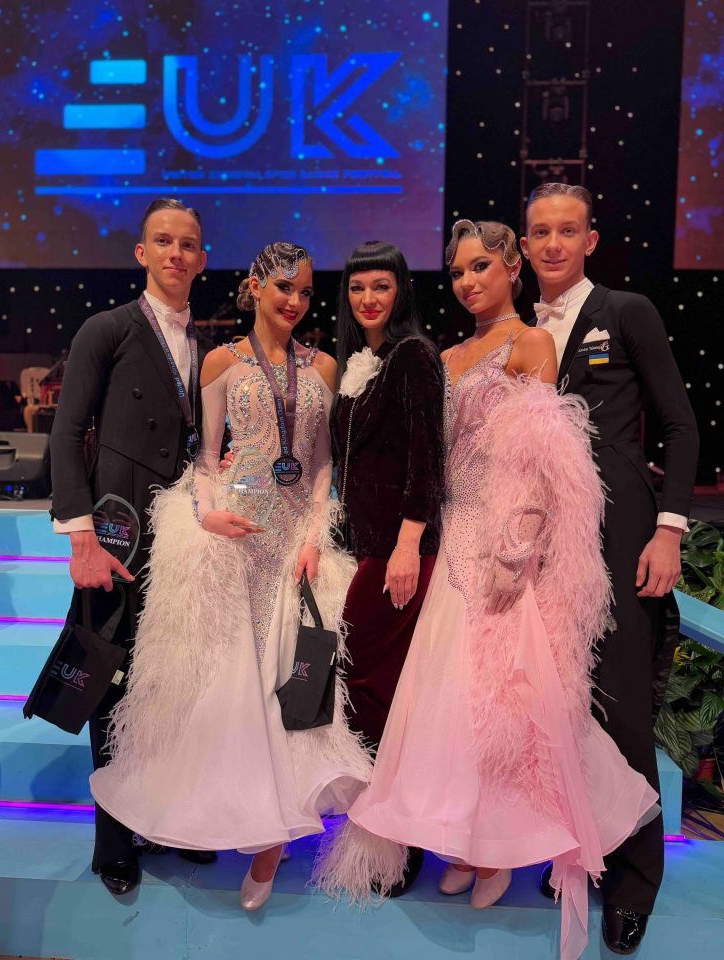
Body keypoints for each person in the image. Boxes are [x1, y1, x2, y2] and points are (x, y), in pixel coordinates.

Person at [315, 220, 659, 960]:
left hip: (502, 543)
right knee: (449, 699)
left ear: (510, 268)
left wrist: (521, 539)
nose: (468, 282)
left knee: (503, 699)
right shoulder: (444, 356)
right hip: (452, 538)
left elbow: (544, 455)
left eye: (481, 267)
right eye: (458, 272)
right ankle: (462, 840)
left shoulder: (531, 344)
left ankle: (500, 847)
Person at [90, 242, 374, 912]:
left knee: (289, 686)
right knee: (235, 689)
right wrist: (208, 514)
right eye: (284, 288)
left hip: (292, 544)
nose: (295, 301)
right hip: (236, 540)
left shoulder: (322, 366)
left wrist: (314, 537)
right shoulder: (221, 361)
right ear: (255, 286)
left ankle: (273, 835)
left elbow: (323, 464)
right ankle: (243, 818)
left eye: (305, 292)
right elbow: (207, 457)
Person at [521, 183, 699, 955]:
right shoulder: (521, 331)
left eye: (568, 230)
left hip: (621, 541)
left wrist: (668, 530)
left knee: (623, 713)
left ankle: (633, 882)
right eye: (540, 232)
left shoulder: (627, 312)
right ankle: (576, 852)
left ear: (590, 240)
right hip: (543, 549)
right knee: (561, 706)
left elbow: (681, 426)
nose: (554, 244)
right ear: (523, 245)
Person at [49, 198, 213, 895]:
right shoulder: (106, 329)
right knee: (110, 687)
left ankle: (165, 821)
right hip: (115, 538)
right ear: (141, 252)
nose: (176, 253)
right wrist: (80, 539)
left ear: (201, 259)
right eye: (163, 241)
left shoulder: (204, 344)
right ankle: (115, 842)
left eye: (188, 244)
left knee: (170, 683)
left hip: (178, 545)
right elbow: (65, 434)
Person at [331, 240, 444, 893]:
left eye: (381, 286)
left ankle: (399, 843)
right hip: (362, 547)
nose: (368, 298)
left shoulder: (413, 356)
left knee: (380, 694)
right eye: (357, 287)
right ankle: (381, 831)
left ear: (401, 290)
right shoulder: (361, 362)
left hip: (398, 554)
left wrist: (408, 544)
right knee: (370, 692)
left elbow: (427, 459)